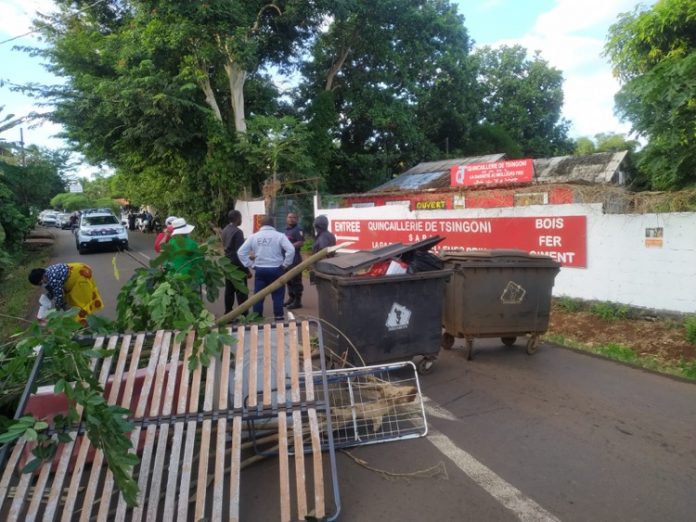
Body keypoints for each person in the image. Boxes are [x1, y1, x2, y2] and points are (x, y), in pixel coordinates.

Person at [237, 215, 295, 321]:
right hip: (277, 269)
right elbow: (291, 250)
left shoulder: (253, 237)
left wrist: (251, 265)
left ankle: (257, 318)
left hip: (260, 270)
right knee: (278, 295)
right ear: (273, 224)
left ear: (261, 225)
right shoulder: (280, 236)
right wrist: (285, 264)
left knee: (258, 296)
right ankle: (278, 317)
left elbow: (241, 252)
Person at [28, 263, 104, 325]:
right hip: (76, 270)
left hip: (81, 274)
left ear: (42, 277)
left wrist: (56, 310)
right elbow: (52, 291)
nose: (42, 284)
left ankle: (85, 322)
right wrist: (46, 299)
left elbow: (59, 295)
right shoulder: (46, 273)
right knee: (67, 302)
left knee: (80, 303)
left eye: (41, 283)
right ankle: (78, 321)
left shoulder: (52, 278)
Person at [221, 210, 250, 314]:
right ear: (237, 218)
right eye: (240, 217)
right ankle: (244, 314)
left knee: (229, 290)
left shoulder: (225, 230)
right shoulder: (238, 232)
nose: (241, 220)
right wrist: (246, 270)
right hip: (236, 264)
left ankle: (228, 313)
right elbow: (240, 253)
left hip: (227, 263)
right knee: (241, 290)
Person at [284, 212, 305, 310]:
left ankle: (297, 301)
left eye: (293, 217)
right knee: (289, 279)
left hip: (295, 258)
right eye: (289, 217)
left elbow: (301, 242)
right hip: (287, 258)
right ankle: (291, 298)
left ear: (297, 219)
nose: (291, 219)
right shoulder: (287, 230)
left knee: (296, 280)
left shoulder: (298, 230)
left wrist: (289, 247)